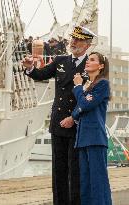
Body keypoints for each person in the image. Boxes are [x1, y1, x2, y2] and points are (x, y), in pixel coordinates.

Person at [22, 26, 96, 205]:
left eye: (78, 40)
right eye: (72, 39)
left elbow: (89, 99)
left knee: (75, 171)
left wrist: (74, 118)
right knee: (59, 170)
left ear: (87, 45)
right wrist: (30, 68)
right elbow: (41, 74)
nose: (73, 42)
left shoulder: (91, 65)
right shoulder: (60, 60)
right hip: (58, 123)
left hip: (77, 125)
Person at [71, 52, 112, 205]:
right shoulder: (88, 87)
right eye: (88, 59)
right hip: (83, 139)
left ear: (101, 66)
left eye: (92, 60)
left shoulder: (102, 84)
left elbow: (86, 105)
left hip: (95, 138)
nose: (88, 61)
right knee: (86, 183)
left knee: (98, 182)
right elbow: (77, 110)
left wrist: (77, 87)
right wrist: (82, 100)